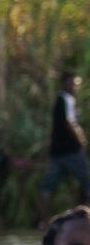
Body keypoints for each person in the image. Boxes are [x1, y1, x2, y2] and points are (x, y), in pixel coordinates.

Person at [42, 72, 89, 205]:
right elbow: (71, 123)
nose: (75, 87)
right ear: (65, 84)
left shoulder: (58, 100)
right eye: (73, 84)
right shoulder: (67, 98)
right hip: (71, 151)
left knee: (47, 187)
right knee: (87, 182)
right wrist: (82, 140)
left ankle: (43, 222)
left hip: (56, 152)